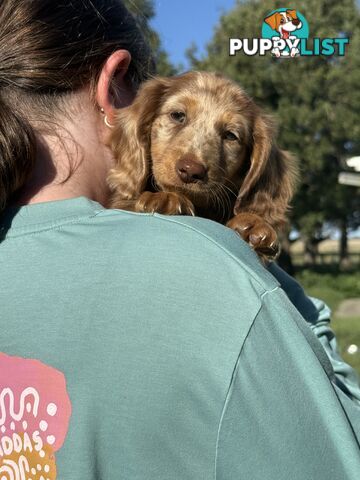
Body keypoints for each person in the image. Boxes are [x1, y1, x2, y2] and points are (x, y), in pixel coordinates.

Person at [0, 1, 359, 479]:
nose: (194, 159)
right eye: (177, 118)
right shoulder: (221, 284)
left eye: (228, 135)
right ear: (118, 92)